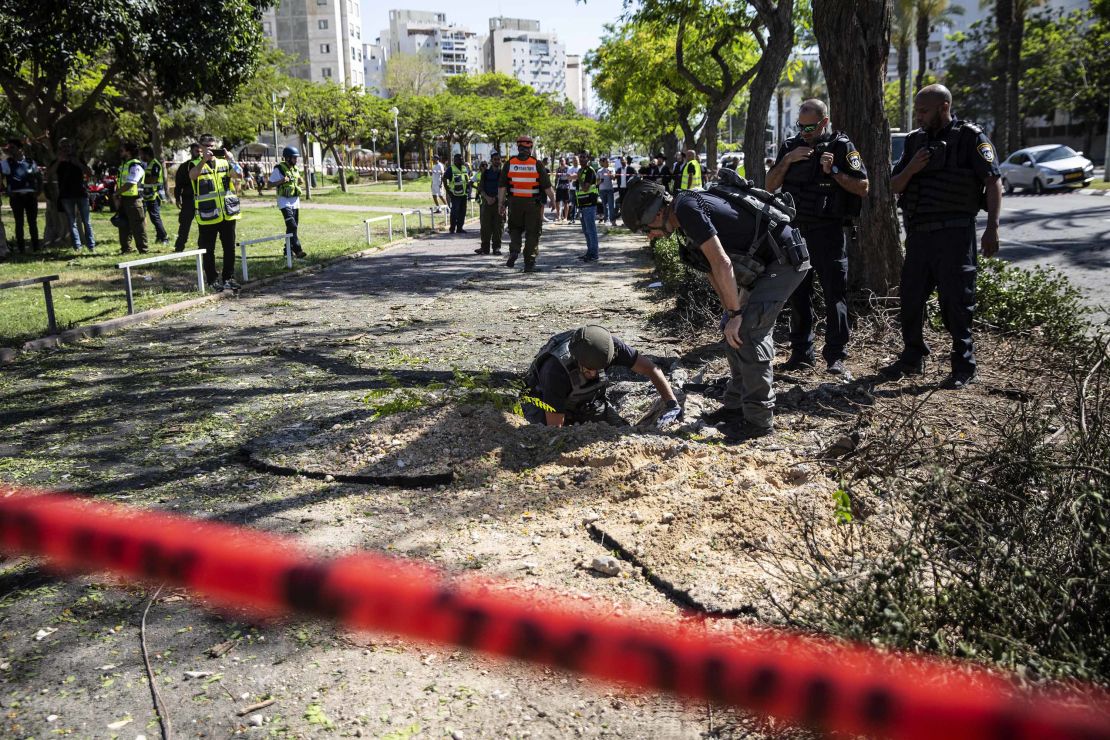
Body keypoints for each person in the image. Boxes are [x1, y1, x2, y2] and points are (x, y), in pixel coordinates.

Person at [621, 174, 811, 442]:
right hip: (765, 263)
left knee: (748, 333)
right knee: (730, 330)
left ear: (657, 213)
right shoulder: (682, 217)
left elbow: (722, 263)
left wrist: (737, 315)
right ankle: (735, 407)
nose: (650, 236)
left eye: (646, 228)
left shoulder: (687, 209)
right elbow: (711, 268)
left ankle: (759, 421)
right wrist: (729, 312)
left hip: (784, 261)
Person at [885, 84, 1003, 389]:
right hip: (920, 237)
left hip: (956, 234)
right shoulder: (914, 142)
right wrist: (912, 167)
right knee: (910, 298)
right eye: (918, 111)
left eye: (924, 110)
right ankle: (912, 357)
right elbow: (895, 186)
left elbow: (992, 182)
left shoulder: (970, 138)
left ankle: (963, 365)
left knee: (957, 303)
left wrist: (992, 227)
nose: (919, 116)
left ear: (944, 106)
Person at [766, 99, 869, 376]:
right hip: (796, 232)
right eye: (800, 126)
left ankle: (836, 356)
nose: (804, 131)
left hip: (828, 232)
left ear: (824, 122)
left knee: (835, 294)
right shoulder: (790, 146)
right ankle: (802, 353)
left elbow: (862, 187)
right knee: (798, 294)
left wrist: (833, 171)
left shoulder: (841, 146)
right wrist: (787, 160)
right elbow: (770, 184)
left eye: (810, 127)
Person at [524, 325, 681, 428]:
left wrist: (672, 404)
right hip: (544, 407)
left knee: (624, 432)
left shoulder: (612, 347)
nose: (593, 374)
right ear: (577, 359)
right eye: (588, 369)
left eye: (598, 369)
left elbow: (652, 369)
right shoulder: (555, 370)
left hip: (589, 403)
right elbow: (554, 430)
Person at [189, 133, 243, 292]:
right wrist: (203, 160)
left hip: (227, 212)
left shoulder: (223, 163)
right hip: (207, 214)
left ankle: (229, 278)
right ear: (200, 147)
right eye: (207, 145)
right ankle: (212, 280)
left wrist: (232, 159)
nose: (210, 148)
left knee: (229, 247)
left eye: (213, 145)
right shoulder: (194, 163)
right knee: (208, 249)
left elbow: (239, 175)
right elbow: (192, 176)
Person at [498, 134, 556, 273]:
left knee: (515, 228)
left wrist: (501, 204)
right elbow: (547, 186)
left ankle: (514, 250)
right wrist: (553, 200)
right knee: (532, 232)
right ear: (530, 147)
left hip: (514, 203)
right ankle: (529, 263)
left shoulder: (510, 163)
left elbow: (502, 187)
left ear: (518, 147)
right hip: (532, 204)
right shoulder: (536, 164)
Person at [51, 138, 95, 253]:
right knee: (72, 221)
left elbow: (89, 173)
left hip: (81, 193)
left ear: (71, 148)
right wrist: (59, 161)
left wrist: (78, 164)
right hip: (66, 195)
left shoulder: (78, 159)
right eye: (63, 147)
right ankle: (77, 246)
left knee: (86, 221)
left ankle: (91, 246)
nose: (66, 149)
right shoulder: (57, 161)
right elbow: (48, 175)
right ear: (60, 149)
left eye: (68, 146)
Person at [2, 139, 42, 253]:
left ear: (20, 149)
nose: (10, 150)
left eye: (13, 147)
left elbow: (38, 177)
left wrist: (38, 191)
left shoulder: (30, 162)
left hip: (30, 196)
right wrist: (6, 190)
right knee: (19, 223)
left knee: (32, 222)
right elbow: (2, 178)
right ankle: (21, 249)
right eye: (9, 148)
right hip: (16, 196)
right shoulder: (6, 162)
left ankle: (36, 247)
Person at [270, 146, 307, 259]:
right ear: (287, 158)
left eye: (296, 158)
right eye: (294, 158)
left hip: (295, 201)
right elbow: (269, 184)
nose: (296, 160)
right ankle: (298, 250)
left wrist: (301, 181)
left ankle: (288, 250)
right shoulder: (279, 169)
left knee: (292, 227)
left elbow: (297, 181)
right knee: (292, 225)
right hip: (284, 201)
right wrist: (282, 180)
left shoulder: (295, 169)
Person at [114, 141, 149, 255]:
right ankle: (126, 249)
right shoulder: (125, 164)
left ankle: (143, 250)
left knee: (138, 226)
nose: (120, 152)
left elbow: (131, 183)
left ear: (128, 152)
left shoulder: (135, 166)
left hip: (134, 201)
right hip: (124, 199)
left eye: (122, 150)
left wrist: (116, 193)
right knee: (123, 225)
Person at [173, 143, 202, 252]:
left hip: (202, 199)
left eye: (200, 151)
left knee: (203, 225)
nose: (198, 153)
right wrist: (177, 198)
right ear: (191, 151)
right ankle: (179, 246)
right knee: (184, 225)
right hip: (188, 199)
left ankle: (202, 247)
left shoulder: (205, 165)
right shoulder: (184, 166)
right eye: (196, 151)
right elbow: (178, 184)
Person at [574, 151, 601, 263]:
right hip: (582, 204)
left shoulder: (589, 171)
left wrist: (579, 178)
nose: (581, 159)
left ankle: (594, 254)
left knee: (591, 230)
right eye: (580, 157)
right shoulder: (581, 171)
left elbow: (585, 188)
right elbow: (579, 189)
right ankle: (589, 252)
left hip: (590, 204)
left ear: (588, 159)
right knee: (586, 231)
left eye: (584, 157)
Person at [475, 151, 503, 255]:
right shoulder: (485, 173)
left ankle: (496, 248)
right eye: (495, 159)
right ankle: (484, 247)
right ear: (491, 160)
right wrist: (487, 198)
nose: (497, 161)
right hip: (487, 203)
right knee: (485, 226)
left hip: (499, 203)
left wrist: (495, 198)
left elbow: (505, 189)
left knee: (498, 226)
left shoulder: (503, 174)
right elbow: (481, 188)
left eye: (498, 159)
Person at [140, 145, 169, 245]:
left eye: (142, 154)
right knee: (151, 217)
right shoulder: (147, 164)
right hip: (146, 195)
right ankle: (159, 237)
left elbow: (153, 179)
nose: (140, 156)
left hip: (154, 195)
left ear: (146, 154)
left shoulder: (155, 164)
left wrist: (143, 179)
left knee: (155, 217)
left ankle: (164, 237)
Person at [443, 153, 472, 234]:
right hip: (455, 195)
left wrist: (468, 189)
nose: (461, 160)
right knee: (455, 212)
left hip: (464, 194)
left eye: (462, 159)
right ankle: (452, 228)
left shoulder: (464, 168)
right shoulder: (451, 169)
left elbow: (467, 179)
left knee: (463, 212)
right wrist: (448, 190)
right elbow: (444, 178)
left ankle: (460, 228)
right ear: (455, 160)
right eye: (459, 159)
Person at [597, 157, 615, 225]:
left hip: (610, 189)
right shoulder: (599, 171)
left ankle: (612, 220)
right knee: (605, 205)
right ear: (603, 163)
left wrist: (610, 174)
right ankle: (606, 220)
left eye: (608, 162)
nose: (608, 163)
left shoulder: (612, 169)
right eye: (606, 162)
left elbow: (613, 178)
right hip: (602, 190)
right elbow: (596, 182)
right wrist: (600, 181)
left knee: (611, 205)